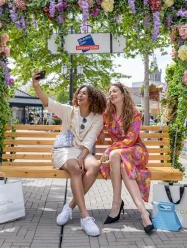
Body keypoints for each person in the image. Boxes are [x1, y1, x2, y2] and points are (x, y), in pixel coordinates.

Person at [32, 71, 106, 236]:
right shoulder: (69, 110)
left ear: (92, 98)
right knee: (75, 168)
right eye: (79, 92)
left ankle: (69, 207)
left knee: (94, 166)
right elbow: (47, 102)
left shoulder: (97, 117)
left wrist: (82, 156)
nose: (80, 95)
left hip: (82, 151)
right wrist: (36, 86)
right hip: (64, 150)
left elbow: (90, 140)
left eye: (84, 93)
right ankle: (85, 217)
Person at [99, 83, 153, 234]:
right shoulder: (107, 115)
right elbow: (95, 123)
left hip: (136, 151)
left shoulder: (135, 113)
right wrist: (100, 132)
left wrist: (110, 148)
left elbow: (131, 139)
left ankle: (116, 204)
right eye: (110, 92)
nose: (112, 93)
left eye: (115, 91)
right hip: (120, 156)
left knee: (115, 154)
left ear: (123, 94)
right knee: (121, 164)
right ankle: (143, 213)